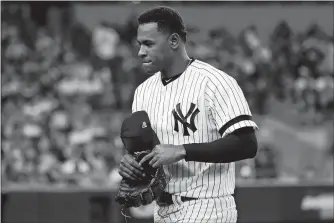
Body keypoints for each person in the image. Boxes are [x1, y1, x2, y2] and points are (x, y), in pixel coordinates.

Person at [119, 6, 258, 223]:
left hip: (208, 206)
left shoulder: (215, 82)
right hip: (163, 209)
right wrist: (131, 163)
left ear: (174, 41)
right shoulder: (143, 92)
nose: (141, 52)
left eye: (149, 43)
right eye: (140, 44)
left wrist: (183, 151)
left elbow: (247, 144)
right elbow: (146, 151)